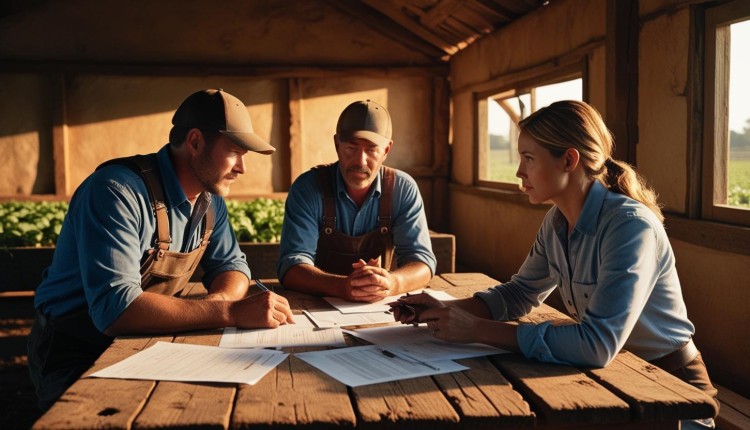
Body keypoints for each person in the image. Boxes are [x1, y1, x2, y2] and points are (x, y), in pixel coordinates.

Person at [394, 100, 719, 427]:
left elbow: (596, 343)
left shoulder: (629, 226)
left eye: (529, 159)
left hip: (669, 394)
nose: (519, 172)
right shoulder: (557, 221)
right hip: (614, 381)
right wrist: (446, 310)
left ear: (568, 160)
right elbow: (519, 294)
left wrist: (477, 329)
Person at [28, 89, 295, 411]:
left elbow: (232, 266)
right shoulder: (116, 192)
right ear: (195, 142)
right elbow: (116, 309)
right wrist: (231, 312)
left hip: (148, 341)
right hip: (76, 348)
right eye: (236, 152)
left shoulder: (211, 201)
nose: (243, 168)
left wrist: (221, 300)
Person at [277, 99, 436, 303]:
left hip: (377, 307)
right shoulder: (308, 188)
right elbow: (291, 267)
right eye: (351, 148)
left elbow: (422, 262)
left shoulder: (402, 189)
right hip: (314, 307)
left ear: (386, 150)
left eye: (372, 150)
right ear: (337, 144)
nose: (361, 161)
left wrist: (392, 283)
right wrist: (342, 287)